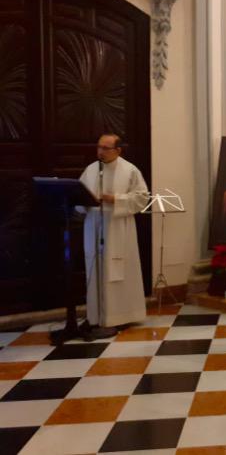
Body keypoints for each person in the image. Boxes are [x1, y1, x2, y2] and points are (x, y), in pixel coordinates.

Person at [79, 134, 148, 336]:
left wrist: (115, 199)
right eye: (98, 147)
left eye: (105, 148)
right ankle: (96, 317)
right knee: (96, 269)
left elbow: (142, 197)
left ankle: (120, 317)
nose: (100, 151)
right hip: (94, 225)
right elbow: (79, 194)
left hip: (118, 227)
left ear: (118, 150)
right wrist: (83, 202)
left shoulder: (130, 170)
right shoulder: (91, 170)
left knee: (117, 270)